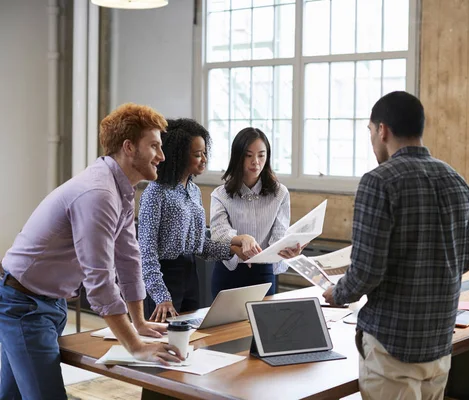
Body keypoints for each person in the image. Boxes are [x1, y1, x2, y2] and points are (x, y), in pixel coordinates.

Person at [0, 103, 186, 400]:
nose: (162, 157)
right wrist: (135, 346)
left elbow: (127, 258)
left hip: (47, 301)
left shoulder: (120, 188)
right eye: (154, 146)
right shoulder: (99, 193)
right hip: (24, 304)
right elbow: (99, 279)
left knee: (11, 395)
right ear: (129, 147)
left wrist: (138, 322)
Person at [322, 91, 469, 400]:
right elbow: (466, 260)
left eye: (370, 131)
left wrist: (336, 293)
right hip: (439, 343)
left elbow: (367, 271)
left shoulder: (379, 181)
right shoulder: (457, 180)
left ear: (383, 130)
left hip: (392, 345)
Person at [138, 118, 260, 322]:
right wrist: (162, 297)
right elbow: (146, 252)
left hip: (190, 276)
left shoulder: (193, 191)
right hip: (163, 280)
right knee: (162, 344)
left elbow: (200, 244)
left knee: (191, 340)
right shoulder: (155, 192)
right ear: (178, 156)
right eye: (197, 154)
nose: (204, 159)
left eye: (205, 152)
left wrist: (232, 248)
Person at [210, 127, 303, 298]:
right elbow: (219, 233)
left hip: (263, 273)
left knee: (262, 323)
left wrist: (289, 249)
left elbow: (279, 237)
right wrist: (243, 238)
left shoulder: (280, 193)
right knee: (226, 325)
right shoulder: (220, 194)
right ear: (238, 156)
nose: (256, 162)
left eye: (261, 155)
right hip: (229, 271)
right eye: (248, 155)